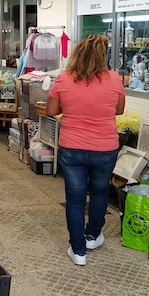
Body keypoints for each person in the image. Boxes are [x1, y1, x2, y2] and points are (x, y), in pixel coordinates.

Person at [46, 34, 125, 266]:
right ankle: (92, 236)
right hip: (105, 148)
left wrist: (70, 105)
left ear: (78, 53)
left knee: (75, 199)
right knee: (100, 193)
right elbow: (118, 110)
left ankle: (78, 251)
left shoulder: (64, 78)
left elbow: (51, 110)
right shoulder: (114, 79)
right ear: (104, 56)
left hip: (72, 148)